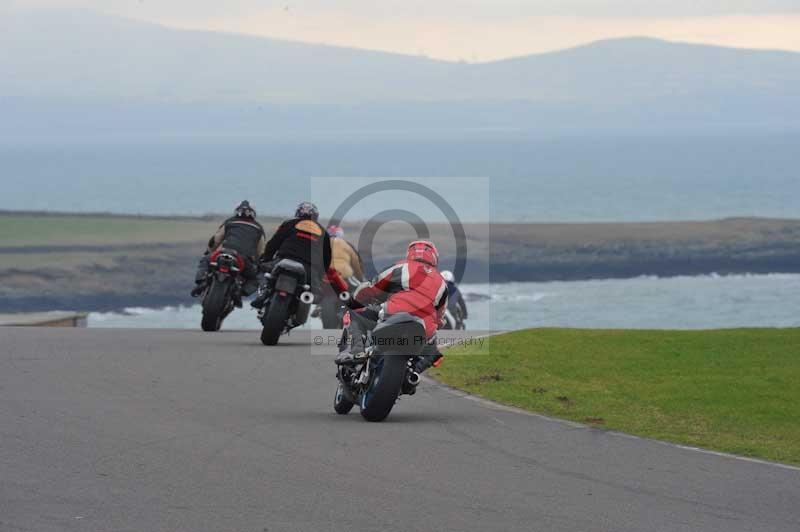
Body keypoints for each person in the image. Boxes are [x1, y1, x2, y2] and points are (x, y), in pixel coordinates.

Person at [335, 240, 447, 382]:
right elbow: (440, 318)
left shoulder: (401, 266)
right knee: (433, 351)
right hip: (423, 328)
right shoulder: (442, 283)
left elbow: (372, 287)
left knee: (354, 315)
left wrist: (355, 301)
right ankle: (411, 374)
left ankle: (356, 351)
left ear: (410, 253)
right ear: (434, 257)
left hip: (393, 313)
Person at [251, 201, 347, 309]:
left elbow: (274, 243)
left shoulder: (289, 223)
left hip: (284, 259)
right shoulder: (323, 232)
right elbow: (326, 258)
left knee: (265, 273)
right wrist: (319, 275)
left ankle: (262, 295)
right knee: (314, 292)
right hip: (308, 268)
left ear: (298, 213)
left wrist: (266, 258)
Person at [191, 200, 265, 299]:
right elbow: (261, 251)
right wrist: (257, 263)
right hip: (243, 259)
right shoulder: (258, 228)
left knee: (205, 261)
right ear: (253, 213)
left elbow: (215, 240)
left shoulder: (229, 222)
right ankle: (239, 294)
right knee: (254, 279)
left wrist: (208, 252)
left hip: (224, 253)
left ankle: (201, 282)